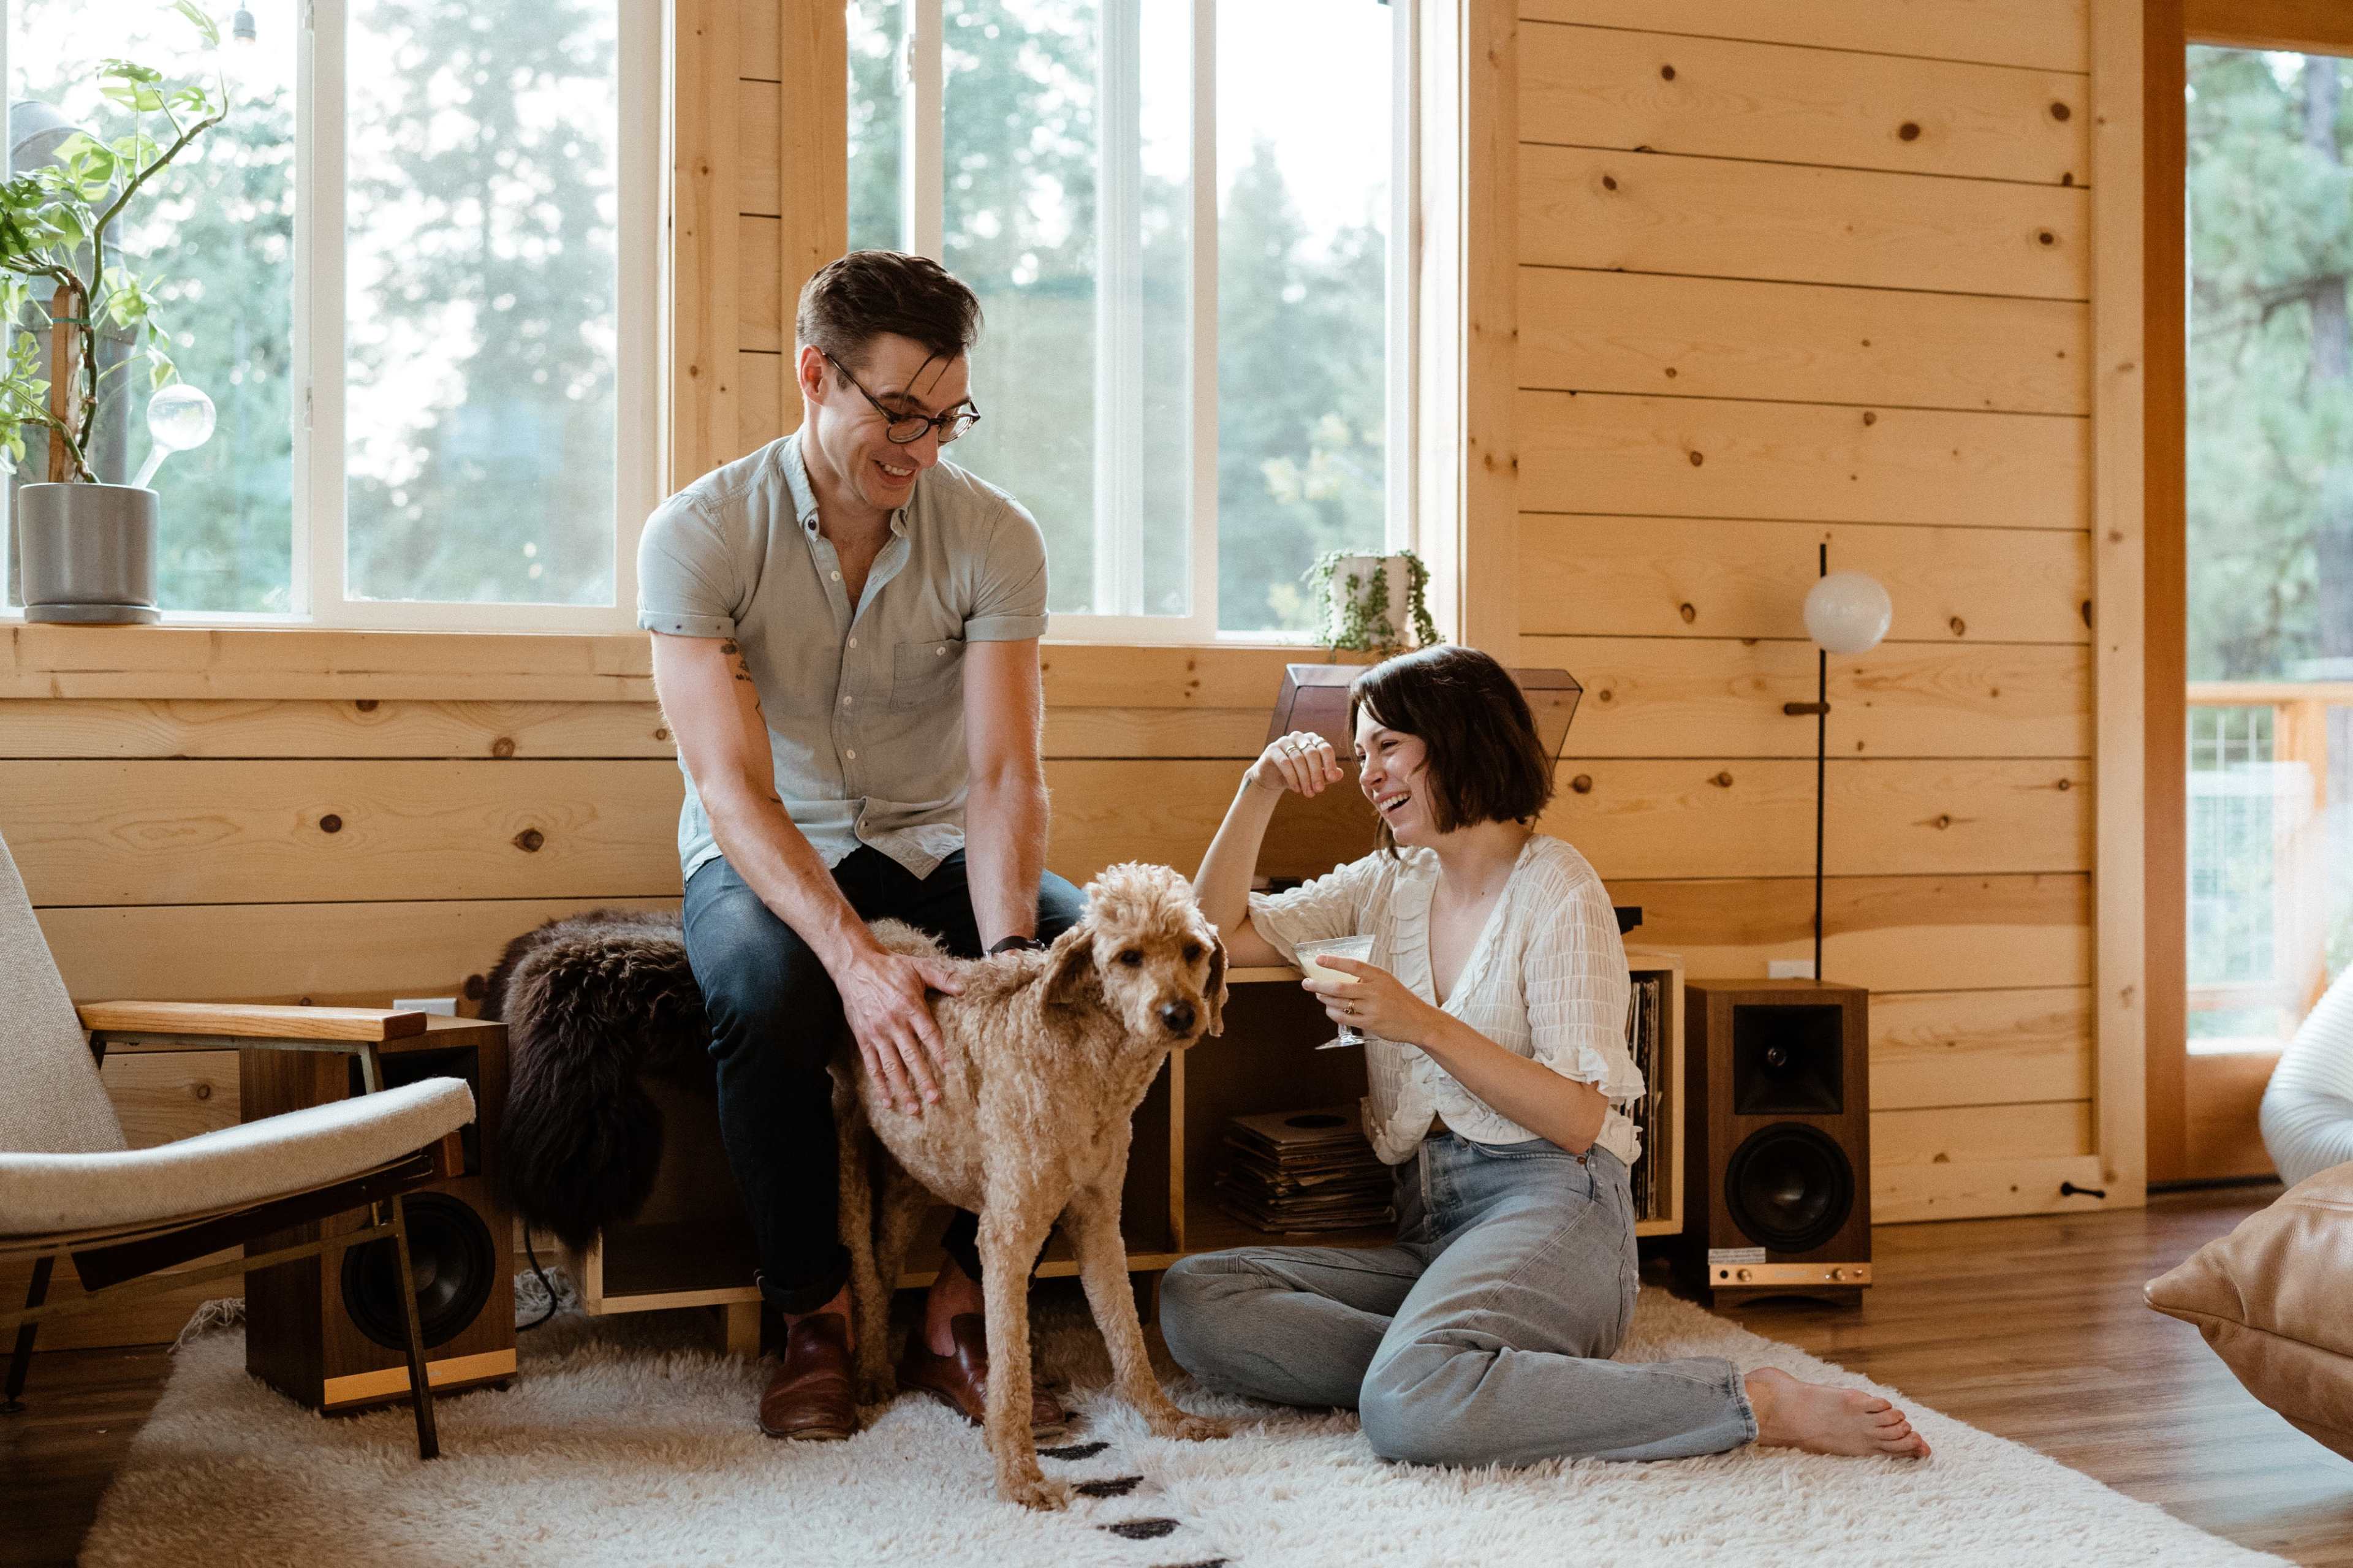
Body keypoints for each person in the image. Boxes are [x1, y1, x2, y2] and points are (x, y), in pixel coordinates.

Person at [1159, 645, 1931, 1466]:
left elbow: (1576, 1119)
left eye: (1387, 746)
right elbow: (1207, 940)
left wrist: (1420, 1021)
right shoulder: (1390, 880)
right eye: (1361, 753)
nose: (1367, 773)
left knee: (1407, 1408)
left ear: (1456, 738)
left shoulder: (1558, 886)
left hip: (1557, 1208)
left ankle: (1749, 1401)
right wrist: (1259, 787)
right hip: (1432, 1228)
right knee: (1197, 1298)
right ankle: (1465, 1368)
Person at [638, 251, 1077, 1442]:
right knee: (766, 982)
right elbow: (729, 789)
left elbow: (1000, 774)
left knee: (1087, 975)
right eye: (896, 414)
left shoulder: (996, 537)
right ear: (814, 374)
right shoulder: (699, 532)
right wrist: (854, 961)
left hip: (935, 842)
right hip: (772, 847)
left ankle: (961, 1308)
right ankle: (815, 1312)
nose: (923, 448)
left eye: (947, 419)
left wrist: (1005, 962)